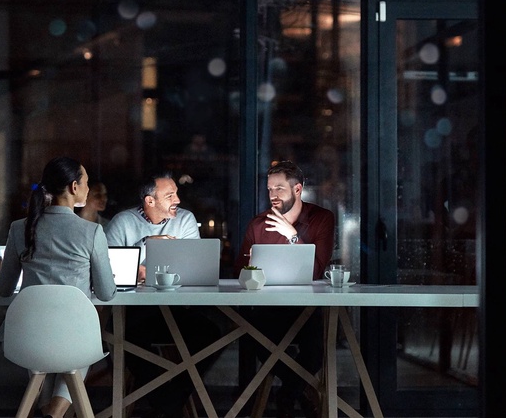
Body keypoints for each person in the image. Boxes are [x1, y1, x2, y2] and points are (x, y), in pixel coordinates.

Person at [0, 156, 115, 418]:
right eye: (86, 182)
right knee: (74, 358)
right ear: (74, 186)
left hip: (27, 337)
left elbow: (3, 289)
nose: (87, 187)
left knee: (43, 360)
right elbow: (107, 293)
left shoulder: (20, 228)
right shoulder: (91, 232)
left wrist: (1, 269)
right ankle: (55, 414)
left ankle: (50, 412)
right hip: (76, 338)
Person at [104, 171, 222, 418]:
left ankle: (167, 403)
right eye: (170, 195)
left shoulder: (185, 220)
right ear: (150, 201)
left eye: (176, 193)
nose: (177, 200)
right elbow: (110, 270)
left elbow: (193, 267)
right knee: (122, 338)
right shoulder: (122, 223)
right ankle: (167, 405)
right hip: (133, 311)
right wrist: (147, 243)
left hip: (177, 307)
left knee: (213, 335)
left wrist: (146, 269)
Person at [238, 160, 335, 418]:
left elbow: (317, 271)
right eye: (269, 189)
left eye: (279, 188)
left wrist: (293, 236)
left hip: (307, 307)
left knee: (317, 350)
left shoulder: (321, 219)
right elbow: (241, 271)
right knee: (252, 333)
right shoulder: (258, 224)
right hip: (268, 307)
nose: (273, 195)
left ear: (297, 189)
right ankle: (298, 391)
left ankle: (287, 393)